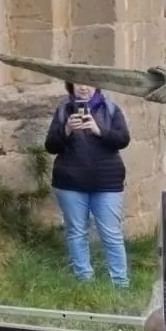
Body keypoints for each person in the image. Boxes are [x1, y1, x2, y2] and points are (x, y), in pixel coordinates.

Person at [44, 81, 131, 288]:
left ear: (97, 85)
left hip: (107, 182)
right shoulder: (64, 110)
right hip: (70, 182)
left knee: (111, 234)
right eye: (78, 84)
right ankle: (84, 280)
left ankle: (120, 283)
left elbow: (123, 139)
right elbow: (50, 146)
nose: (84, 88)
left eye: (89, 83)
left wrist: (98, 130)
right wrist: (66, 130)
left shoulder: (110, 109)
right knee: (76, 232)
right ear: (70, 86)